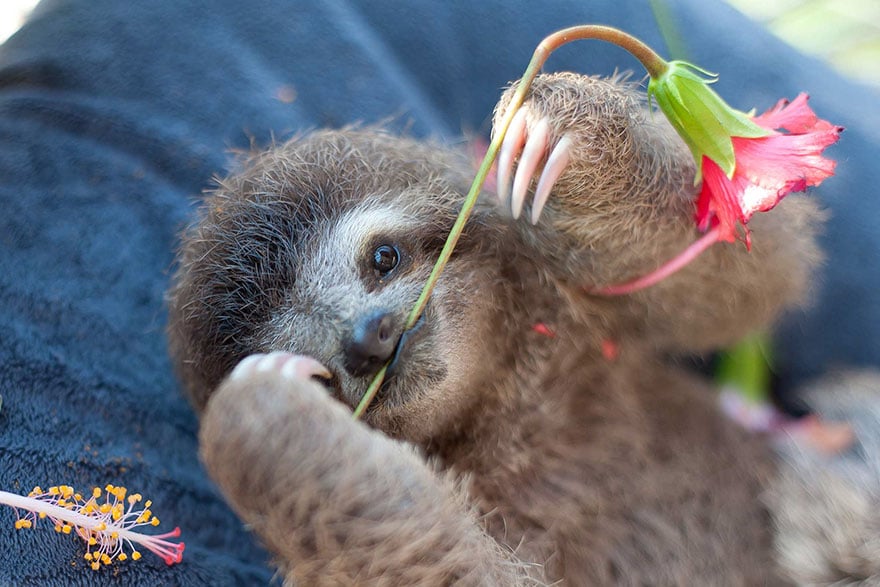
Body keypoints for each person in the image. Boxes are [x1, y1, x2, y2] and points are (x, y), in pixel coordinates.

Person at [0, 1, 876, 583]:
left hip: (824, 499)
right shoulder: (438, 503)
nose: (370, 333)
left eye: (380, 261)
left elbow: (752, 297)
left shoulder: (525, 253)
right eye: (327, 374)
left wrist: (612, 168)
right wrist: (325, 498)